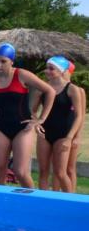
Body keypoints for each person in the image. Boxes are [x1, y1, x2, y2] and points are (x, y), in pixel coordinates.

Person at [0, 43, 54, 188]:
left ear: (12, 62)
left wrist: (41, 119)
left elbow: (50, 91)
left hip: (23, 127)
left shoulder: (22, 75)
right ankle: (0, 206)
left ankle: (32, 202)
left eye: (3, 61)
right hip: (0, 127)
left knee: (20, 172)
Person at [35, 56, 84, 192]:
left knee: (61, 173)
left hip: (63, 134)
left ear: (62, 71)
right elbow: (32, 111)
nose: (47, 71)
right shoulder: (43, 88)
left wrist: (70, 138)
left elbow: (79, 116)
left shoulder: (72, 89)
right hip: (45, 133)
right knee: (43, 171)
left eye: (52, 68)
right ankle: (44, 202)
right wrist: (36, 123)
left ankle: (71, 203)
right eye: (47, 68)